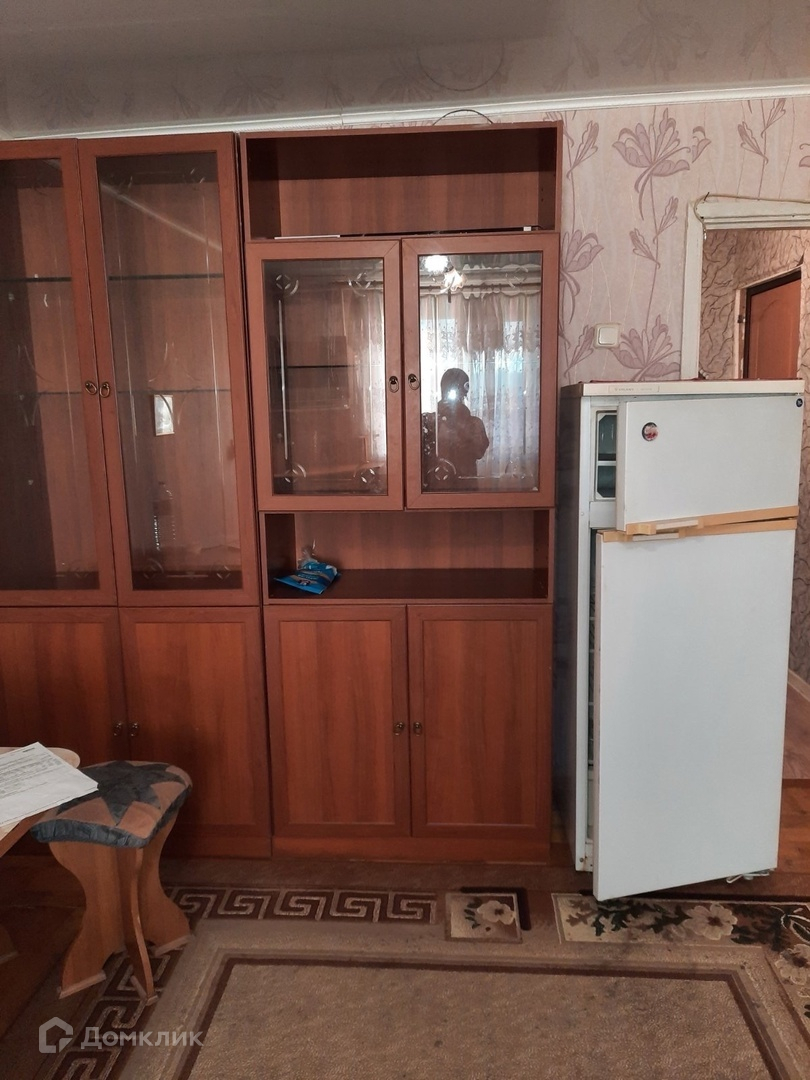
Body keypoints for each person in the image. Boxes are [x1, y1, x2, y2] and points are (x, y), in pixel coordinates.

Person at [421, 367, 489, 489]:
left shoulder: (474, 424)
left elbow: (479, 451)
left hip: (464, 489)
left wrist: (458, 425)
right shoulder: (429, 421)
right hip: (433, 490)